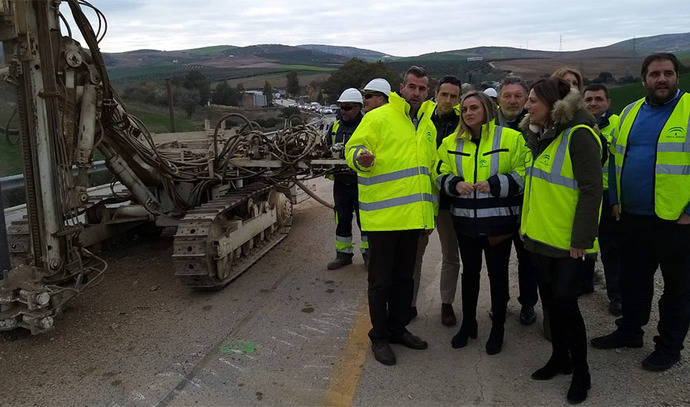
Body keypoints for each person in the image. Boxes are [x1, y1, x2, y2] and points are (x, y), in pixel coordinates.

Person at [591, 53, 690, 372]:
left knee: (677, 288)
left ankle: (669, 346)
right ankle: (630, 331)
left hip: (677, 220)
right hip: (633, 216)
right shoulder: (631, 111)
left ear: (677, 76)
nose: (662, 79)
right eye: (655, 74)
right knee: (634, 281)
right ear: (644, 78)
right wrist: (616, 200)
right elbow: (617, 159)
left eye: (668, 73)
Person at [345, 66, 438, 366]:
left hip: (414, 219)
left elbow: (430, 172)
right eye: (412, 87)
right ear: (401, 88)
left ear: (428, 92)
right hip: (384, 220)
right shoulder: (378, 117)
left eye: (422, 89)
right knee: (380, 282)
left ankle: (398, 329)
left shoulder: (428, 127)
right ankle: (380, 337)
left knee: (404, 280)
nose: (416, 93)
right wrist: (361, 158)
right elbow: (353, 148)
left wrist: (429, 217)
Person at [521, 78, 603, 404]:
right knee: (552, 305)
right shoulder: (543, 137)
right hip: (542, 238)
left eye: (532, 101)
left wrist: (582, 238)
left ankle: (582, 372)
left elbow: (591, 189)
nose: (527, 107)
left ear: (553, 105)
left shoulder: (579, 136)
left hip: (570, 244)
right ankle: (560, 358)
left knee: (567, 308)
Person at [437, 91, 526, 355]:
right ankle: (468, 324)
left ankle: (498, 327)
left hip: (499, 225)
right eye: (464, 109)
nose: (468, 113)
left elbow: (524, 172)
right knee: (470, 275)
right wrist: (454, 184)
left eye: (474, 108)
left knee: (497, 277)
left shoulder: (511, 138)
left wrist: (496, 184)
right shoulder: (452, 141)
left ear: (487, 109)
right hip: (465, 224)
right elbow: (439, 171)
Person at [411, 75, 462, 326]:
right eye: (444, 94)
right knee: (415, 255)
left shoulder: (464, 123)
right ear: (436, 95)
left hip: (450, 200)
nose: (448, 100)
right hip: (424, 197)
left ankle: (446, 303)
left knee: (451, 255)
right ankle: (408, 304)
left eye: (454, 96)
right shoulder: (422, 119)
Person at [495, 76, 539, 326]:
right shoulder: (488, 125)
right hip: (498, 205)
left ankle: (528, 304)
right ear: (499, 98)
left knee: (528, 260)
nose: (512, 100)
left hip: (528, 204)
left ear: (525, 99)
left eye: (518, 96)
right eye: (507, 95)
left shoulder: (536, 125)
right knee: (497, 261)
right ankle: (499, 304)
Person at [583, 84, 622, 315]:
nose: (593, 103)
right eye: (588, 99)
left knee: (611, 248)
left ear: (608, 102)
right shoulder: (578, 126)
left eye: (599, 99)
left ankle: (616, 295)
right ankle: (585, 282)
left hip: (610, 196)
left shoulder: (618, 124)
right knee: (584, 242)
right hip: (586, 194)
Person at [325, 88, 366, 270]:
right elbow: (326, 148)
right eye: (341, 107)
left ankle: (369, 255)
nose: (344, 111)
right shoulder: (334, 127)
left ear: (358, 108)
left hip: (362, 183)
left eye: (348, 108)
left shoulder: (367, 126)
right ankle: (343, 254)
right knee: (341, 218)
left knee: (364, 221)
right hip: (341, 182)